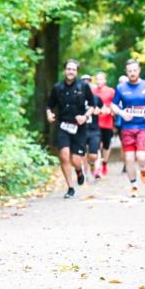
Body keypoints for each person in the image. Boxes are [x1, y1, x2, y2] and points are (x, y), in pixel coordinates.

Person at [46, 59, 94, 199]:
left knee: (75, 160)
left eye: (73, 69)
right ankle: (70, 188)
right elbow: (49, 105)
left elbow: (92, 105)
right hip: (63, 126)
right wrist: (49, 114)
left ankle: (79, 171)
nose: (71, 71)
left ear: (77, 72)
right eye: (68, 69)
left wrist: (85, 117)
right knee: (64, 155)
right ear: (64, 70)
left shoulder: (83, 87)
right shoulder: (57, 87)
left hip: (79, 127)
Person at [110, 60, 145, 197]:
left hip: (143, 126)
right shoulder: (121, 88)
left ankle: (144, 168)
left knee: (142, 157)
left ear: (139, 70)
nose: (132, 73)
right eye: (129, 71)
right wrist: (121, 113)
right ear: (126, 72)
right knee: (129, 158)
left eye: (134, 70)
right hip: (127, 127)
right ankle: (133, 185)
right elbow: (113, 105)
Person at [91, 72, 115, 176]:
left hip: (107, 123)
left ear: (105, 80)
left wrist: (110, 111)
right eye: (97, 79)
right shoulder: (92, 91)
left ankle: (104, 163)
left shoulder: (111, 91)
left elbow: (116, 105)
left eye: (101, 79)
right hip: (95, 123)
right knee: (96, 145)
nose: (99, 81)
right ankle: (97, 167)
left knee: (106, 145)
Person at [81, 74, 104, 180]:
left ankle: (91, 164)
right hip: (80, 130)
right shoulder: (77, 98)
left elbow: (105, 109)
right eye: (83, 81)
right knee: (82, 153)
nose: (86, 83)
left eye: (88, 81)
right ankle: (84, 174)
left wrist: (100, 111)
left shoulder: (96, 98)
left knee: (93, 156)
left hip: (94, 130)